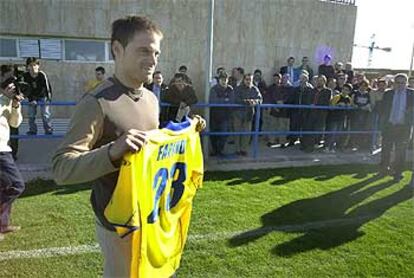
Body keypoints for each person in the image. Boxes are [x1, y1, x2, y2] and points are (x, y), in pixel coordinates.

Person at [52, 16, 205, 277]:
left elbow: (150, 149)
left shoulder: (150, 99)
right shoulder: (96, 102)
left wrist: (182, 132)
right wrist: (112, 151)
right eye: (144, 50)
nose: (153, 59)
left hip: (153, 218)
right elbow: (61, 169)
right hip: (118, 226)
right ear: (117, 50)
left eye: (156, 52)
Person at [0, 73, 25, 241]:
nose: (12, 88)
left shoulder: (10, 102)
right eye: (9, 86)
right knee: (17, 185)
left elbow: (15, 123)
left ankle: (3, 225)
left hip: (4, 148)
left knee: (5, 187)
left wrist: (15, 105)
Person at [379, 73, 414, 181]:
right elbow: (383, 110)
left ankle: (398, 173)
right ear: (394, 83)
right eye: (398, 83)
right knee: (386, 149)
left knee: (400, 152)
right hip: (390, 126)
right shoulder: (388, 94)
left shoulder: (412, 94)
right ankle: (384, 170)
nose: (400, 85)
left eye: (403, 83)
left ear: (407, 83)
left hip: (404, 127)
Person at [22, 57, 53, 135]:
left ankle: (48, 130)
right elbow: (25, 89)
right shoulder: (25, 76)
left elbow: (47, 87)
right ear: (27, 67)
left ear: (38, 66)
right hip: (32, 97)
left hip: (43, 96)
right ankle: (32, 130)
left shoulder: (42, 75)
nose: (33, 67)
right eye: (30, 65)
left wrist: (49, 98)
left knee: (45, 114)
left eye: (35, 65)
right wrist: (31, 99)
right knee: (31, 114)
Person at [233, 73, 262, 156]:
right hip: (238, 113)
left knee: (247, 133)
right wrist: (246, 101)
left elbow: (260, 99)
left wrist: (255, 102)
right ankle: (237, 149)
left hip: (249, 114)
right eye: (247, 79)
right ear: (244, 80)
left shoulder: (254, 89)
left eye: (250, 80)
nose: (248, 81)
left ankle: (243, 149)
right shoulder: (238, 89)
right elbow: (235, 99)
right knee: (237, 132)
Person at [209, 71, 234, 156]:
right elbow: (213, 101)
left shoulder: (230, 89)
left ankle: (220, 150)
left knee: (224, 134)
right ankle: (215, 150)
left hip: (225, 116)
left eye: (225, 79)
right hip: (215, 115)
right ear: (219, 80)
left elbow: (232, 101)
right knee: (213, 135)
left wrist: (221, 100)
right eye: (222, 79)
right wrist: (225, 100)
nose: (224, 81)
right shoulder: (214, 89)